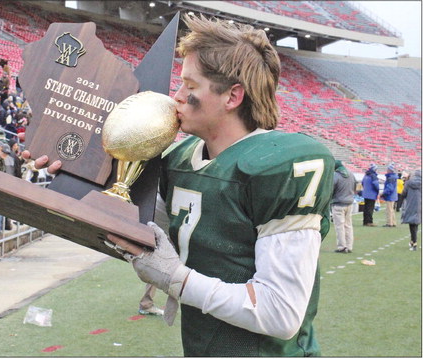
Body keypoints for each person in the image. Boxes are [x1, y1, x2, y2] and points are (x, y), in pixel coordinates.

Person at [27, 14, 335, 357]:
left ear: (232, 96)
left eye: (189, 86)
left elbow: (280, 313)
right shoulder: (180, 159)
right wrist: (71, 169)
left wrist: (176, 278)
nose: (175, 97)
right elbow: (133, 225)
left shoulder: (279, 164)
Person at [331, 160, 357, 253]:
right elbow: (355, 186)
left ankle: (342, 246)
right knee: (348, 226)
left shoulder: (336, 176)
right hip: (349, 203)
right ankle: (349, 246)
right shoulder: (351, 174)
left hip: (338, 203)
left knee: (339, 226)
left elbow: (331, 189)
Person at [401, 170, 421, 251]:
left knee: (412, 224)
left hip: (410, 204)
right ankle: (413, 241)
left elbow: (403, 193)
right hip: (420, 205)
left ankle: (414, 243)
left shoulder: (408, 183)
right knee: (416, 224)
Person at [381, 163, 398, 227]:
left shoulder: (390, 178)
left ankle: (389, 223)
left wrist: (383, 193)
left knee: (389, 210)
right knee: (392, 210)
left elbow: (389, 188)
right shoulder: (393, 177)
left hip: (390, 196)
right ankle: (393, 222)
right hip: (392, 196)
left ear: (390, 170)